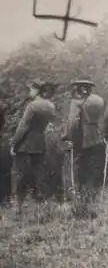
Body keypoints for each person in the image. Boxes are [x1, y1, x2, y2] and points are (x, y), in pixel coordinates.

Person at [9, 79, 56, 216]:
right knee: (39, 175)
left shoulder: (32, 106)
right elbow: (49, 124)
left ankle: (17, 207)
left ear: (36, 90)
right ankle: (41, 206)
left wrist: (14, 144)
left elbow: (23, 127)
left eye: (31, 89)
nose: (29, 92)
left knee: (18, 175)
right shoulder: (50, 106)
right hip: (40, 144)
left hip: (25, 145)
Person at [61, 78, 105, 205]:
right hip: (96, 137)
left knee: (78, 168)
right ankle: (93, 195)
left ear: (80, 88)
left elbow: (73, 122)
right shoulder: (99, 100)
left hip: (81, 138)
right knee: (93, 168)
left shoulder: (76, 102)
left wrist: (67, 136)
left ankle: (78, 197)